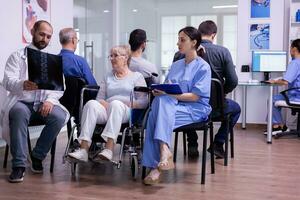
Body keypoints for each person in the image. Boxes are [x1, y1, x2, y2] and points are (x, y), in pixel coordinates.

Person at [0, 20, 69, 183]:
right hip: (22, 101)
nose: (44, 39)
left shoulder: (53, 60)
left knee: (59, 117)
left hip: (43, 103)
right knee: (18, 112)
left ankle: (37, 156)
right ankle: (19, 165)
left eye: (48, 36)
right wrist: (21, 84)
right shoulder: (17, 56)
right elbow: (7, 81)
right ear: (32, 32)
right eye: (41, 34)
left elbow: (60, 86)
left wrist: (50, 100)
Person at [142, 26, 212, 185]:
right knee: (160, 105)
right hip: (173, 106)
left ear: (194, 42)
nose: (178, 43)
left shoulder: (203, 67)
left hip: (195, 108)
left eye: (182, 40)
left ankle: (157, 166)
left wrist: (167, 95)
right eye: (178, 39)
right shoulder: (175, 65)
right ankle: (164, 153)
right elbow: (167, 88)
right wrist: (160, 91)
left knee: (155, 116)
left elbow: (195, 97)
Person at [173, 20, 240, 159]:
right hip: (215, 107)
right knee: (236, 109)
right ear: (213, 35)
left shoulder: (180, 54)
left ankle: (192, 144)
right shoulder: (223, 52)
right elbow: (233, 81)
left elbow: (174, 83)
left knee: (187, 104)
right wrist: (221, 94)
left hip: (186, 104)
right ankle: (218, 143)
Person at [68, 45, 147, 162]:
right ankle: (83, 150)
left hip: (126, 111)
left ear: (125, 58)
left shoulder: (137, 77)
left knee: (116, 104)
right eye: (111, 56)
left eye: (115, 56)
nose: (112, 58)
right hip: (108, 109)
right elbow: (99, 98)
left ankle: (109, 149)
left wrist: (129, 103)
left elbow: (144, 102)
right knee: (90, 104)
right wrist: (102, 102)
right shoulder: (108, 76)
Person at [266, 39, 300, 133]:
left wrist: (273, 81)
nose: (290, 50)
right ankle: (276, 125)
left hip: (296, 96)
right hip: (297, 94)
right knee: (277, 98)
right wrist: (279, 78)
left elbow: (285, 82)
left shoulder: (295, 63)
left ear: (294, 49)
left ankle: (281, 126)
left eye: (290, 47)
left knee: (272, 99)